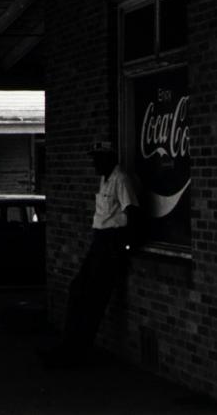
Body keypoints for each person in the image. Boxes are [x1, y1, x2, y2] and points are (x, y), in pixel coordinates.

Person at [43, 139, 141, 366]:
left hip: (111, 242)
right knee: (78, 289)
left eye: (98, 159)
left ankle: (77, 351)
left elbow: (132, 212)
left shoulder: (120, 179)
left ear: (109, 158)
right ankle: (69, 345)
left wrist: (124, 246)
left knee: (94, 296)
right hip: (99, 240)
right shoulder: (104, 179)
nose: (95, 164)